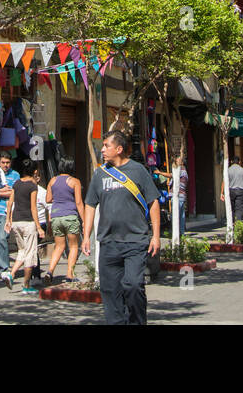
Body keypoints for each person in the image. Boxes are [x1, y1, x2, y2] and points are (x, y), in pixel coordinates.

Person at [81, 130, 161, 325]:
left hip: (135, 241)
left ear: (119, 149)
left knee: (133, 285)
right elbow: (90, 204)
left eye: (106, 145)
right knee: (110, 292)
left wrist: (156, 236)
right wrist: (86, 236)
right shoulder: (100, 174)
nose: (102, 149)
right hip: (108, 243)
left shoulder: (138, 171)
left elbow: (153, 202)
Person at [4, 159, 44, 293]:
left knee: (22, 251)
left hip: (16, 221)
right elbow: (34, 208)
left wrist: (8, 219)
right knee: (30, 254)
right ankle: (26, 286)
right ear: (34, 172)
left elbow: (10, 203)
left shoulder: (16, 183)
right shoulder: (33, 186)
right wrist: (38, 226)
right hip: (28, 222)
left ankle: (11, 274)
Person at [46, 159, 84, 283]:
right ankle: (69, 274)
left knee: (59, 246)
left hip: (56, 216)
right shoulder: (75, 182)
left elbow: (48, 199)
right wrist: (84, 220)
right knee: (73, 246)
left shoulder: (53, 180)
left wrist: (59, 198)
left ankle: (50, 271)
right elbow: (78, 202)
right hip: (70, 216)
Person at [227, 154, 243, 223]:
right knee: (239, 209)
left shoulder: (228, 170)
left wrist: (222, 192)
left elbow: (224, 182)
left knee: (231, 208)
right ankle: (237, 223)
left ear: (231, 161)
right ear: (239, 162)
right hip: (241, 191)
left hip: (231, 191)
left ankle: (232, 222)